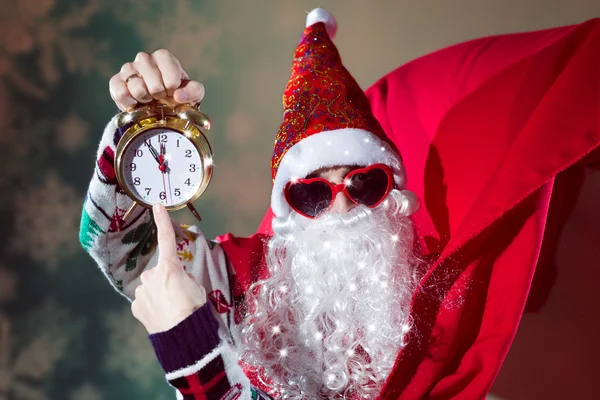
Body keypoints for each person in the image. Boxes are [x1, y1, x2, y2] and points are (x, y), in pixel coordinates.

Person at [80, 7, 600, 400]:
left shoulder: (431, 310)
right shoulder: (240, 282)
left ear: (394, 196)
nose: (343, 210)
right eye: (311, 193)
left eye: (365, 184)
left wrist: (191, 349)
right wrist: (147, 127)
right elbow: (123, 247)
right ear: (287, 210)